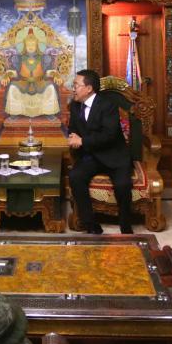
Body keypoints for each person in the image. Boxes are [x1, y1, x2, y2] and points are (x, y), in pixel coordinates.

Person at [67, 69, 134, 234]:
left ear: (89, 88)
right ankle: (91, 225)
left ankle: (126, 227)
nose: (73, 89)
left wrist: (82, 141)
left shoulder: (108, 105)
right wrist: (73, 137)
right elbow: (73, 129)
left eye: (76, 85)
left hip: (114, 156)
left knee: (123, 185)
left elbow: (109, 135)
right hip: (91, 156)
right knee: (75, 176)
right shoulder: (75, 105)